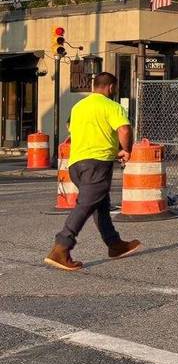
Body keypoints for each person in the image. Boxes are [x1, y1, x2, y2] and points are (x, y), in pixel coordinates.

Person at [44, 72, 141, 271]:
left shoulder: (78, 107)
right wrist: (126, 150)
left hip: (76, 164)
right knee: (86, 204)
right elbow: (124, 130)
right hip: (96, 165)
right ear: (111, 88)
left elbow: (73, 129)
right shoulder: (112, 106)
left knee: (100, 205)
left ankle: (114, 244)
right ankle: (61, 247)